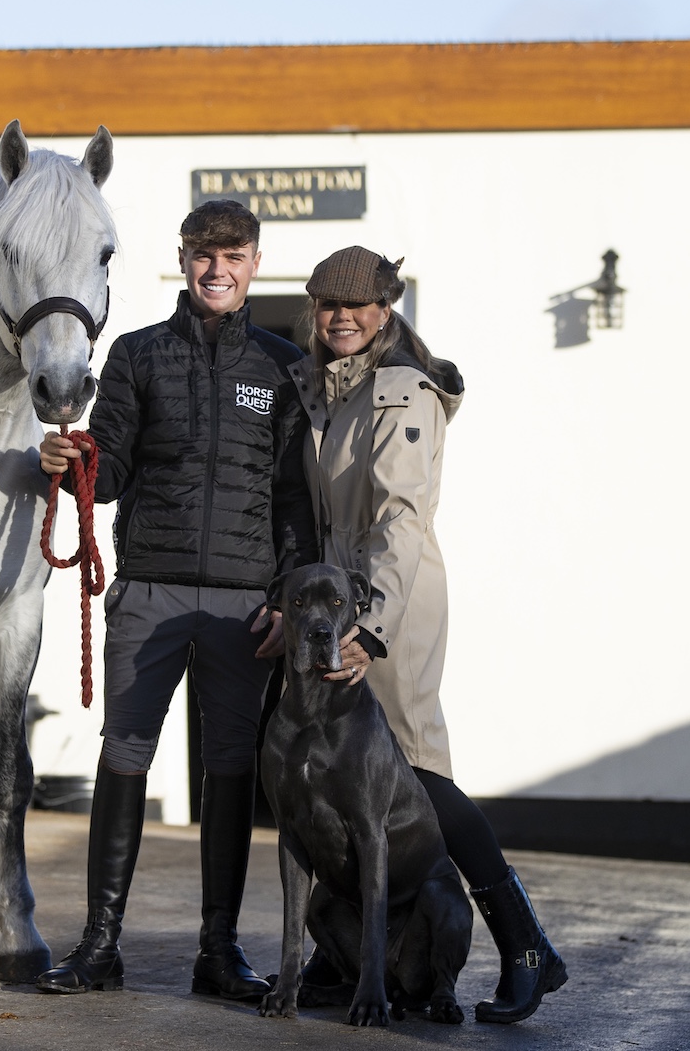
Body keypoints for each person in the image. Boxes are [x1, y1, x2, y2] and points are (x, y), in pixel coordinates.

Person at [262, 245, 567, 1024]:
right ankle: (344, 955)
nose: (341, 316)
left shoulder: (401, 390)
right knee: (346, 777)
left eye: (357, 305)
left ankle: (527, 947)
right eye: (328, 304)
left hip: (391, 605)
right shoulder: (327, 385)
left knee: (417, 772)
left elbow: (401, 520)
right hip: (338, 602)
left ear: (386, 310)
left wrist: (370, 630)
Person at [34, 199, 315, 1000]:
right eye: (203, 256)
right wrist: (75, 462)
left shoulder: (283, 366)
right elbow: (113, 473)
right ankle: (99, 947)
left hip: (244, 606)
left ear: (255, 263)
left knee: (230, 769)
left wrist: (288, 595)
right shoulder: (136, 354)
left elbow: (293, 498)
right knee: (124, 757)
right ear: (185, 259)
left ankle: (217, 954)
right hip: (149, 590)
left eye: (232, 257)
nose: (216, 271)